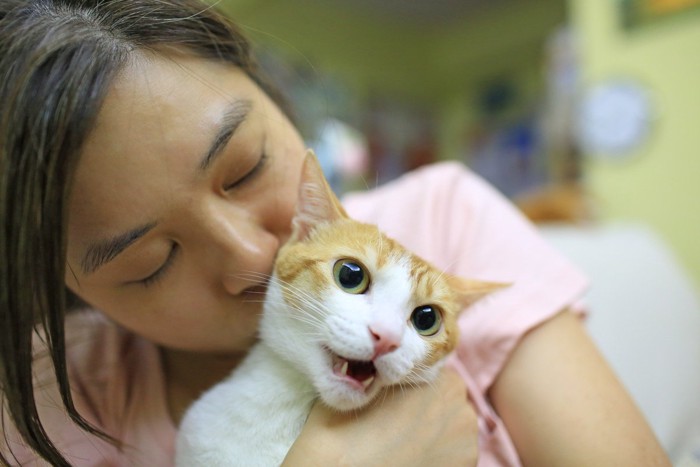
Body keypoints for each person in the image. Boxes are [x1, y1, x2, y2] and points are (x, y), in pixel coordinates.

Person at [0, 1, 670, 466]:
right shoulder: (48, 396)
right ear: (65, 286)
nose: (257, 254)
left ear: (270, 87)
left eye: (246, 168)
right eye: (151, 260)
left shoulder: (445, 214)